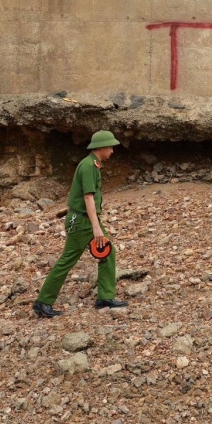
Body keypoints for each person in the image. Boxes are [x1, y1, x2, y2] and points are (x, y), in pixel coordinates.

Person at [33, 130, 127, 318]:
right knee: (67, 260)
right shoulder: (88, 167)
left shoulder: (93, 165)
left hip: (85, 220)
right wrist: (96, 227)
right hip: (82, 222)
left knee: (108, 251)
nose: (112, 151)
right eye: (110, 147)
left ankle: (105, 298)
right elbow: (88, 198)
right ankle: (43, 302)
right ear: (100, 147)